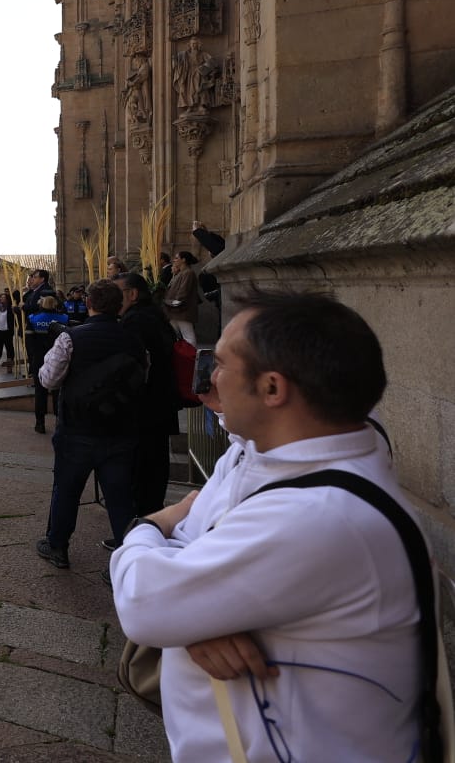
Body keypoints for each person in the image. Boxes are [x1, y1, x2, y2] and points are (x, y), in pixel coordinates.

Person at [111, 290, 421, 763]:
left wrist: (147, 526)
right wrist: (199, 612)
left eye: (223, 364)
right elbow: (195, 544)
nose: (209, 378)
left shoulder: (315, 515)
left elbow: (144, 600)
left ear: (273, 389)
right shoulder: (265, 454)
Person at [35, 280, 146, 569]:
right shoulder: (135, 341)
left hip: (77, 429)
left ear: (88, 303)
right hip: (120, 429)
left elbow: (48, 379)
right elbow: (142, 380)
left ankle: (57, 545)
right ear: (119, 305)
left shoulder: (71, 338)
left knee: (67, 489)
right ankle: (130, 557)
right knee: (121, 497)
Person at [115, 272, 181, 517]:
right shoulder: (153, 316)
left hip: (145, 407)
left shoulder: (136, 321)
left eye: (117, 293)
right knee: (154, 465)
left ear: (132, 294)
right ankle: (150, 517)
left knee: (143, 468)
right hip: (159, 403)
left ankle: (140, 524)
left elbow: (132, 366)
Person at [24, 294, 69, 434]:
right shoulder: (64, 319)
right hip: (58, 358)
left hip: (39, 358)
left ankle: (40, 423)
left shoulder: (33, 318)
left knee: (40, 391)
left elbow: (29, 342)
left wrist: (31, 360)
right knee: (58, 391)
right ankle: (58, 421)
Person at [164, 250, 201, 345]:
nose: (174, 260)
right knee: (173, 335)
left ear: (183, 260)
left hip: (182, 310)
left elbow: (183, 292)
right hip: (175, 310)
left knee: (188, 335)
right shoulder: (181, 273)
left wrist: (176, 303)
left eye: (176, 258)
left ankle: (191, 356)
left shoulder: (188, 273)